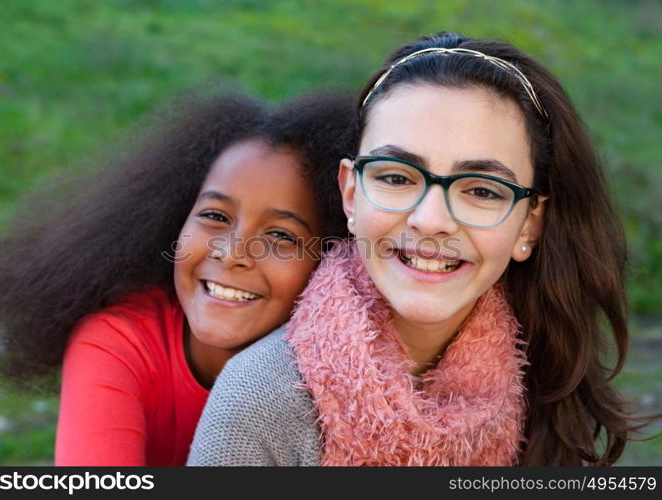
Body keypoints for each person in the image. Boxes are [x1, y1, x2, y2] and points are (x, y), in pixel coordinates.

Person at [188, 32, 653, 466]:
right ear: (351, 194)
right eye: (396, 177)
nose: (430, 220)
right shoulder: (261, 401)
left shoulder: (549, 381)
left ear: (529, 224)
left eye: (482, 190)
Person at [0, 90, 357, 465]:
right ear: (176, 219)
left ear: (334, 256)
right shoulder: (119, 344)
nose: (232, 253)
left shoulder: (350, 373)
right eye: (215, 216)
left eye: (280, 236)